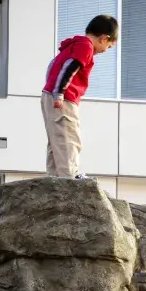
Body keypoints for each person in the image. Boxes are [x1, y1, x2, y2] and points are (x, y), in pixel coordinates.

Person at [41, 15, 118, 179]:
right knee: (69, 137)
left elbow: (53, 66)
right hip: (64, 99)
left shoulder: (74, 45)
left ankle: (54, 177)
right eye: (109, 46)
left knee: (56, 139)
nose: (106, 50)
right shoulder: (86, 47)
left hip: (51, 95)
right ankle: (70, 177)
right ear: (105, 38)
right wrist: (59, 92)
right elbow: (69, 68)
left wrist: (51, 89)